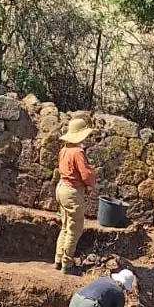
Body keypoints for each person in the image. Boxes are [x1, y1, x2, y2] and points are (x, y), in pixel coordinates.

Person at [54, 117, 97, 273]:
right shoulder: (78, 152)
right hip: (72, 191)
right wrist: (92, 179)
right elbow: (86, 176)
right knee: (75, 228)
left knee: (65, 226)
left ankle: (58, 259)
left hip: (61, 188)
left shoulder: (64, 150)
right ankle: (67, 263)